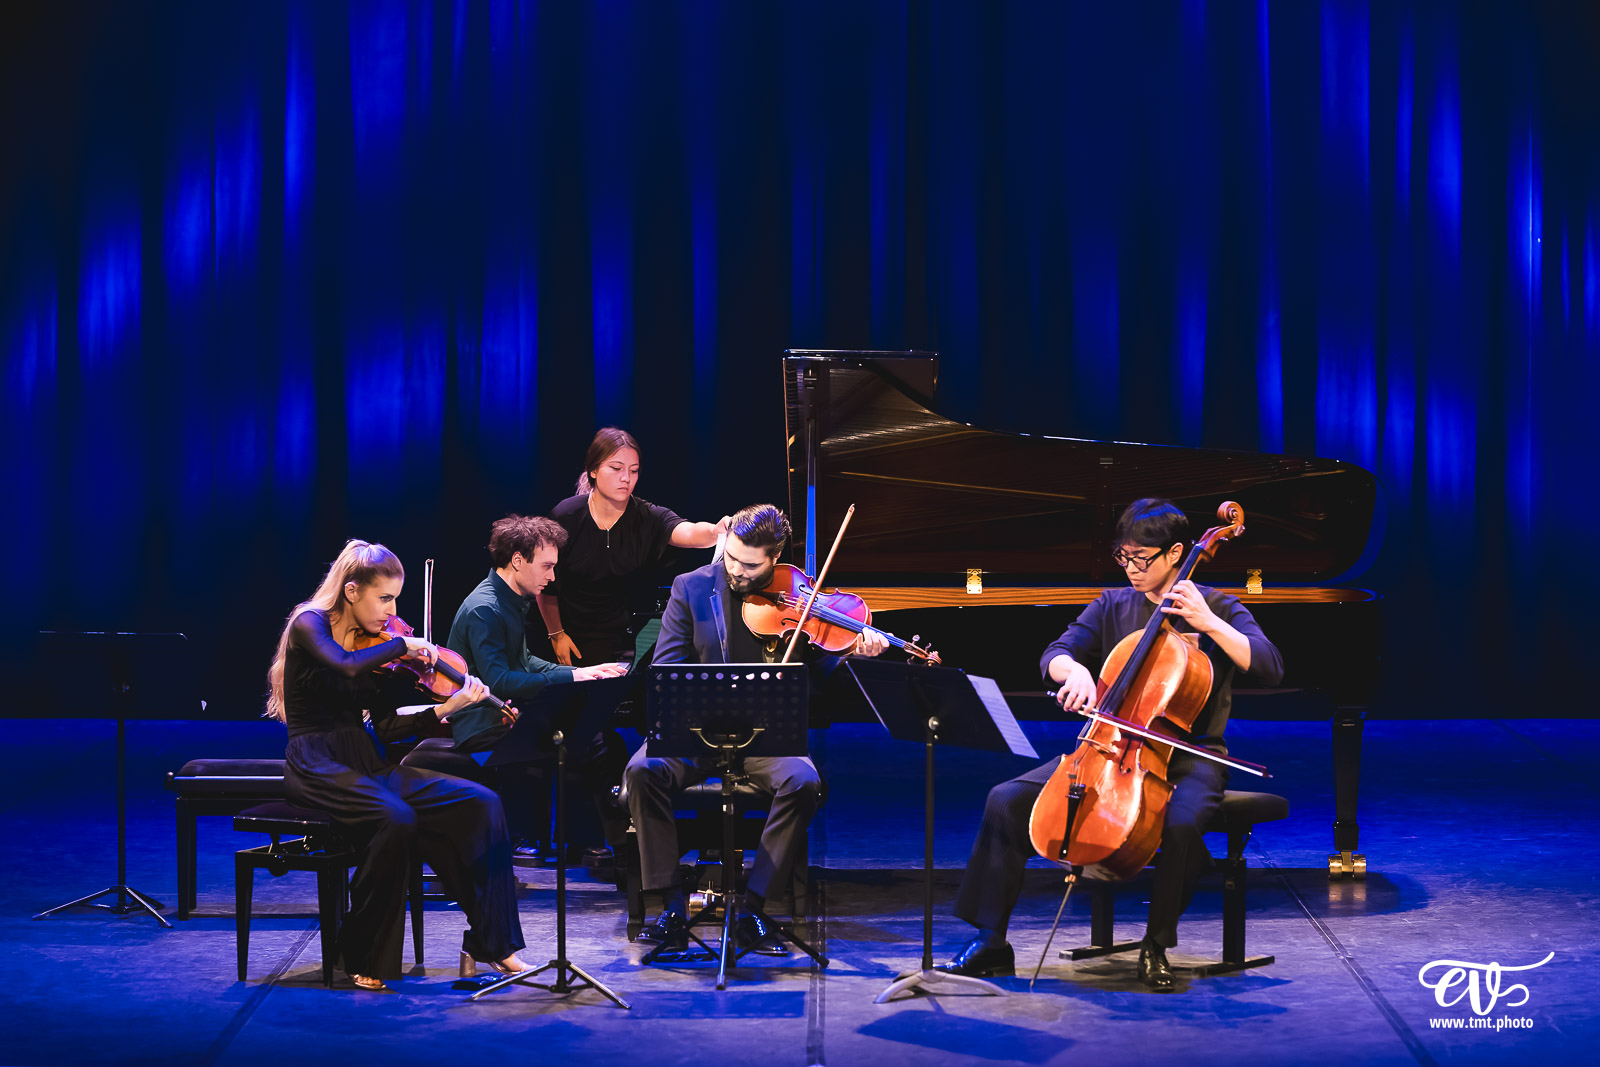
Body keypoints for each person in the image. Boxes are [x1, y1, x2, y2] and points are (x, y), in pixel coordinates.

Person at [940, 498, 1283, 991]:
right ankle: (991, 941)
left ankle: (1156, 945)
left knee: (1183, 823)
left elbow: (1270, 666)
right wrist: (1074, 671)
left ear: (1176, 554)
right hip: (1109, 746)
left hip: (1189, 758)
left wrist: (1208, 623)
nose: (1131, 569)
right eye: (1124, 557)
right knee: (1006, 799)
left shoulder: (1218, 606)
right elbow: (1055, 654)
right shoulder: (1112, 604)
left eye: (1142, 559)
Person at [621, 503, 889, 954]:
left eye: (749, 564)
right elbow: (666, 668)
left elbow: (824, 676)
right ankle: (670, 908)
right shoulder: (691, 587)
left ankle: (753, 910)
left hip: (767, 735)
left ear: (775, 556)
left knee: (804, 782)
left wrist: (851, 654)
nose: (736, 571)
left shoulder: (802, 599)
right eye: (731, 558)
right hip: (697, 731)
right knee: (642, 772)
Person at [265, 539, 532, 990]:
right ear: (352, 591)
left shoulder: (380, 649)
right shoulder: (309, 625)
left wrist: (448, 709)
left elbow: (387, 729)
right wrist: (404, 645)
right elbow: (344, 665)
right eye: (384, 598)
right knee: (395, 817)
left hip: (364, 762)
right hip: (315, 763)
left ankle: (495, 943)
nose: (391, 613)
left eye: (395, 601)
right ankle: (360, 952)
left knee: (481, 802)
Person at [445, 515, 628, 854]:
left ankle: (586, 842)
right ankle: (569, 841)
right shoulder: (486, 608)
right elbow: (500, 680)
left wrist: (585, 671)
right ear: (517, 560)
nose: (552, 577)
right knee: (587, 743)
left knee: (597, 737)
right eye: (546, 566)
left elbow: (525, 661)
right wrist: (572, 676)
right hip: (483, 723)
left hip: (508, 713)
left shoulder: (510, 600)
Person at [536, 427, 730, 668]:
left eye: (634, 470)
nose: (626, 478)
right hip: (565, 635)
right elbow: (544, 585)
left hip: (620, 638)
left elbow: (688, 531)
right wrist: (556, 634)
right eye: (616, 468)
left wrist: (715, 531)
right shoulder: (566, 516)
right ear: (594, 471)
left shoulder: (646, 516)